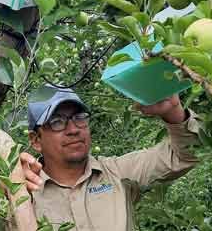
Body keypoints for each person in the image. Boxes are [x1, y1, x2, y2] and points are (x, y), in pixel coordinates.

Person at [19, 84, 200, 231]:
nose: (73, 129)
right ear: (36, 140)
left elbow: (184, 155)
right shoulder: (23, 193)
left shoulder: (118, 174)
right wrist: (12, 188)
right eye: (57, 122)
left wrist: (173, 112)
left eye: (79, 117)